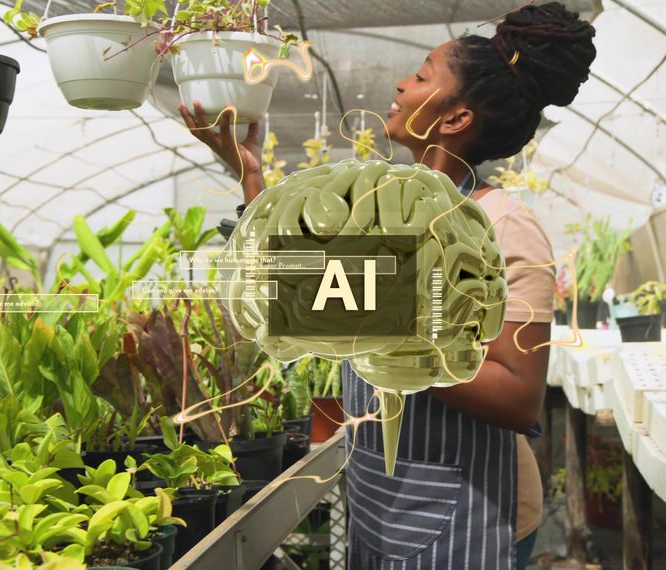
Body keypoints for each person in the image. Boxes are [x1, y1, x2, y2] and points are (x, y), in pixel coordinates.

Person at [179, 4, 596, 567]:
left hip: (464, 507)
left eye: (423, 76)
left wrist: (375, 333)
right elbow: (306, 290)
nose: (402, 83)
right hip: (384, 494)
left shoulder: (500, 225)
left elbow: (519, 395)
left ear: (455, 119)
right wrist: (251, 177)